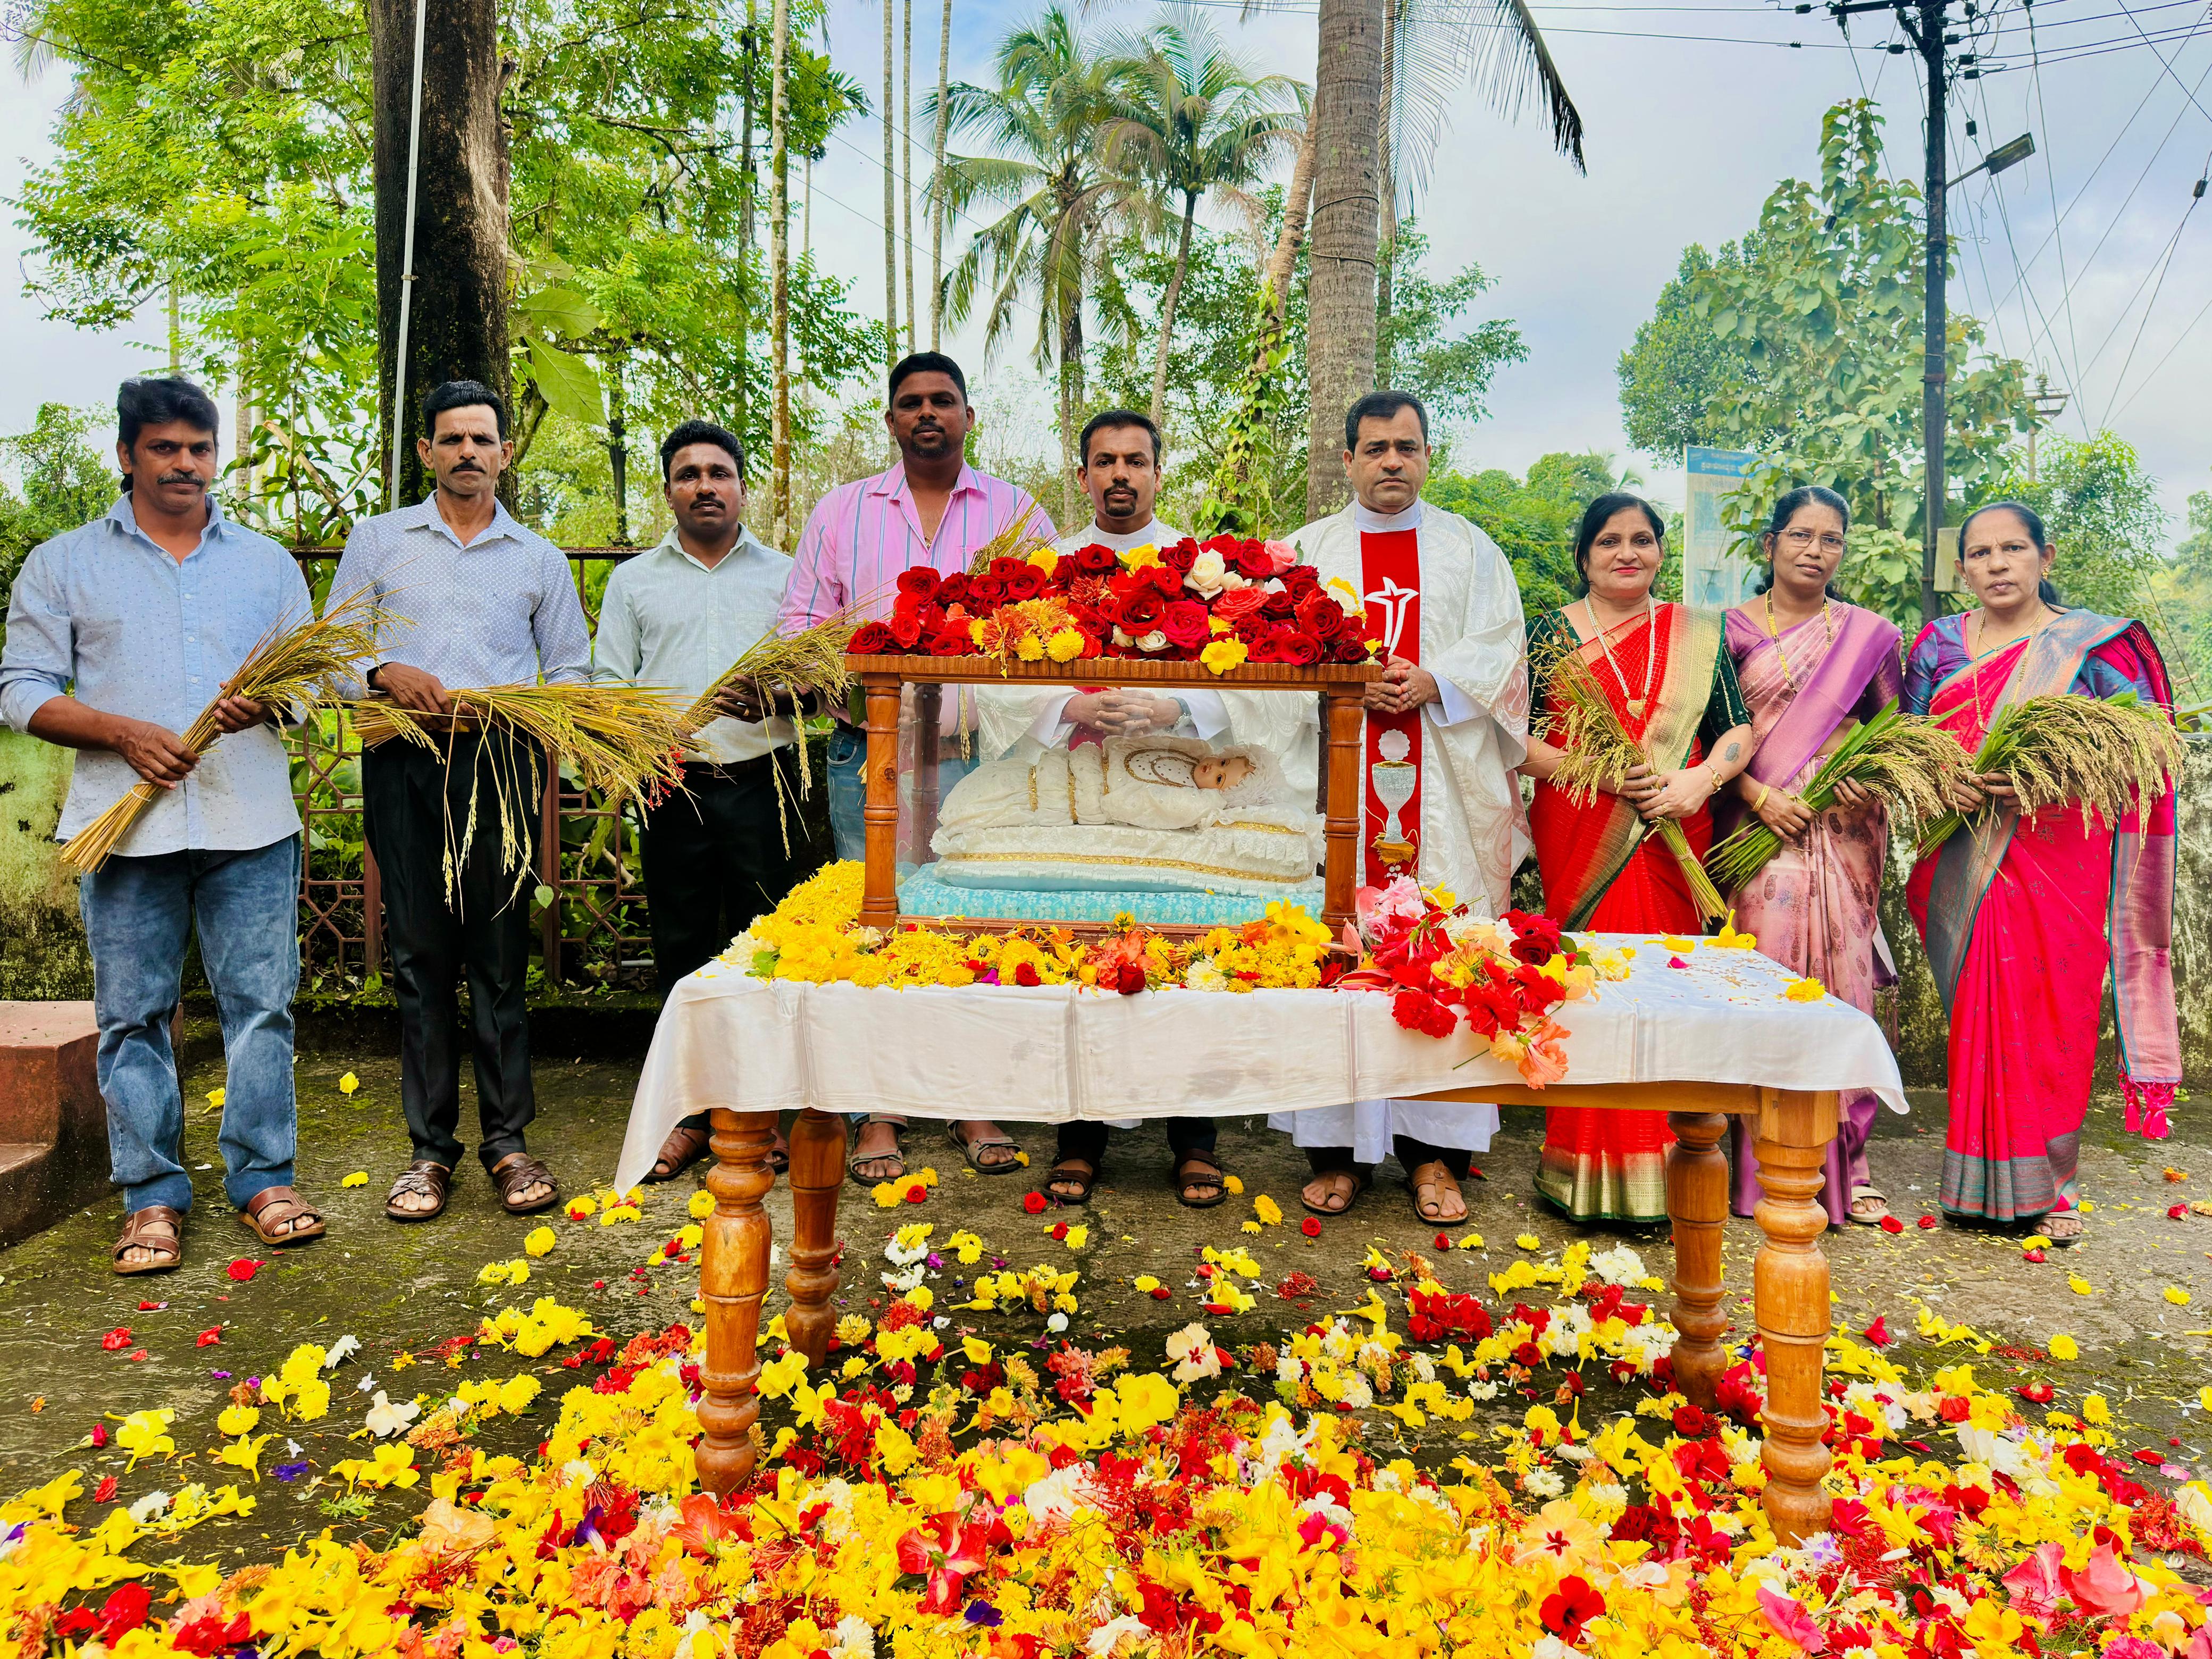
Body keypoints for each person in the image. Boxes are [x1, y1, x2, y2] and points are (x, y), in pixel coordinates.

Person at [0, 377, 322, 1273]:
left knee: (262, 1009)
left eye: (199, 448)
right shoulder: (64, 563)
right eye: (166, 448)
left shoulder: (266, 564)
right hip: (124, 830)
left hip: (250, 821)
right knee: (132, 1017)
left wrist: (270, 703)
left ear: (216, 454)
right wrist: (123, 734)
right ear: (127, 454)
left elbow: (311, 685)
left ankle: (265, 1182)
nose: (186, 464)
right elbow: (20, 689)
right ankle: (150, 1199)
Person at [777, 351, 1054, 1185]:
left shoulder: (1017, 513)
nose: (927, 413)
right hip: (870, 756)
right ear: (892, 420)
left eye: (942, 400)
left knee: (975, 926)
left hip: (985, 761)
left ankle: (973, 1098)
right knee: (877, 927)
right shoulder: (841, 512)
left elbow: (1054, 622)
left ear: (969, 416)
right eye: (911, 403)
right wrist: (851, 691)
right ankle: (880, 1109)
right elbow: (799, 628)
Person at [1263, 391, 1532, 1226]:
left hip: (1442, 789)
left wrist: (1434, 680)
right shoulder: (1307, 552)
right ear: (1346, 459)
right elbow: (1270, 659)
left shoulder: (1470, 550)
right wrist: (1346, 683)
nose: (1391, 462)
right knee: (1334, 950)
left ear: (1427, 457)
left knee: (1442, 953)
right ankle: (1335, 1151)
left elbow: (1504, 649)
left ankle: (1434, 1155)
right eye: (1375, 448)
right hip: (1336, 779)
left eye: (1406, 448)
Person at [330, 380, 591, 1224]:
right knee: (419, 956)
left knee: (499, 954)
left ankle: (508, 1143)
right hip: (402, 757)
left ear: (505, 453)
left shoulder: (539, 559)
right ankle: (429, 1151)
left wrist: (518, 708)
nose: (468, 452)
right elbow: (329, 654)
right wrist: (381, 672)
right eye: (452, 439)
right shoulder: (378, 541)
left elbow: (573, 671)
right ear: (426, 452)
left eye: (483, 439)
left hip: (502, 764)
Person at [1905, 500, 2179, 1244]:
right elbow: (1910, 741)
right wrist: (1945, 782)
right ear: (1962, 568)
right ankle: (1976, 1186)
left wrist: (2047, 779)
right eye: (1981, 553)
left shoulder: (2095, 648)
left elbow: (2147, 748)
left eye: (2013, 549)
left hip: (2058, 858)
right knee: (1982, 1017)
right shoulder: (1938, 645)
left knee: (2053, 1013)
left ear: (2045, 557)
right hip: (1961, 854)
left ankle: (2053, 1185)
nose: (1997, 564)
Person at [592, 419, 822, 1185]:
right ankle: (689, 1115)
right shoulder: (634, 582)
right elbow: (608, 684)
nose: (704, 486)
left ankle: (765, 1110)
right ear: (669, 491)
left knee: (767, 946)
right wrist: (647, 732)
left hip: (768, 782)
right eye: (688, 475)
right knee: (684, 949)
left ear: (742, 488)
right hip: (672, 782)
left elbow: (818, 684)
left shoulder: (787, 576)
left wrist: (776, 698)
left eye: (719, 473)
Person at [1519, 492, 1756, 1224]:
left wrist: (1700, 781)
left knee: (1664, 987)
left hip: (1674, 827)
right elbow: (1516, 741)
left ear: (1660, 551)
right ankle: (1580, 1168)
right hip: (1583, 828)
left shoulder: (1699, 633)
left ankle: (1670, 1168)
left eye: (1643, 539)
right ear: (1584, 556)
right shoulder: (1551, 631)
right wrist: (1599, 774)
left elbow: (1736, 731)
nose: (1627, 553)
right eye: (1609, 541)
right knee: (1588, 990)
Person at [1719, 486, 1904, 1228]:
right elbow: (1707, 739)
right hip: (1757, 827)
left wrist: (1865, 775)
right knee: (1762, 986)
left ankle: (1849, 1165)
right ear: (1770, 545)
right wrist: (1759, 795)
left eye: (1831, 540)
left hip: (1842, 831)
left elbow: (1895, 733)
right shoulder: (1728, 631)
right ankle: (1759, 1168)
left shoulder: (1870, 636)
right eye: (1800, 535)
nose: (1815, 551)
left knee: (1842, 990)